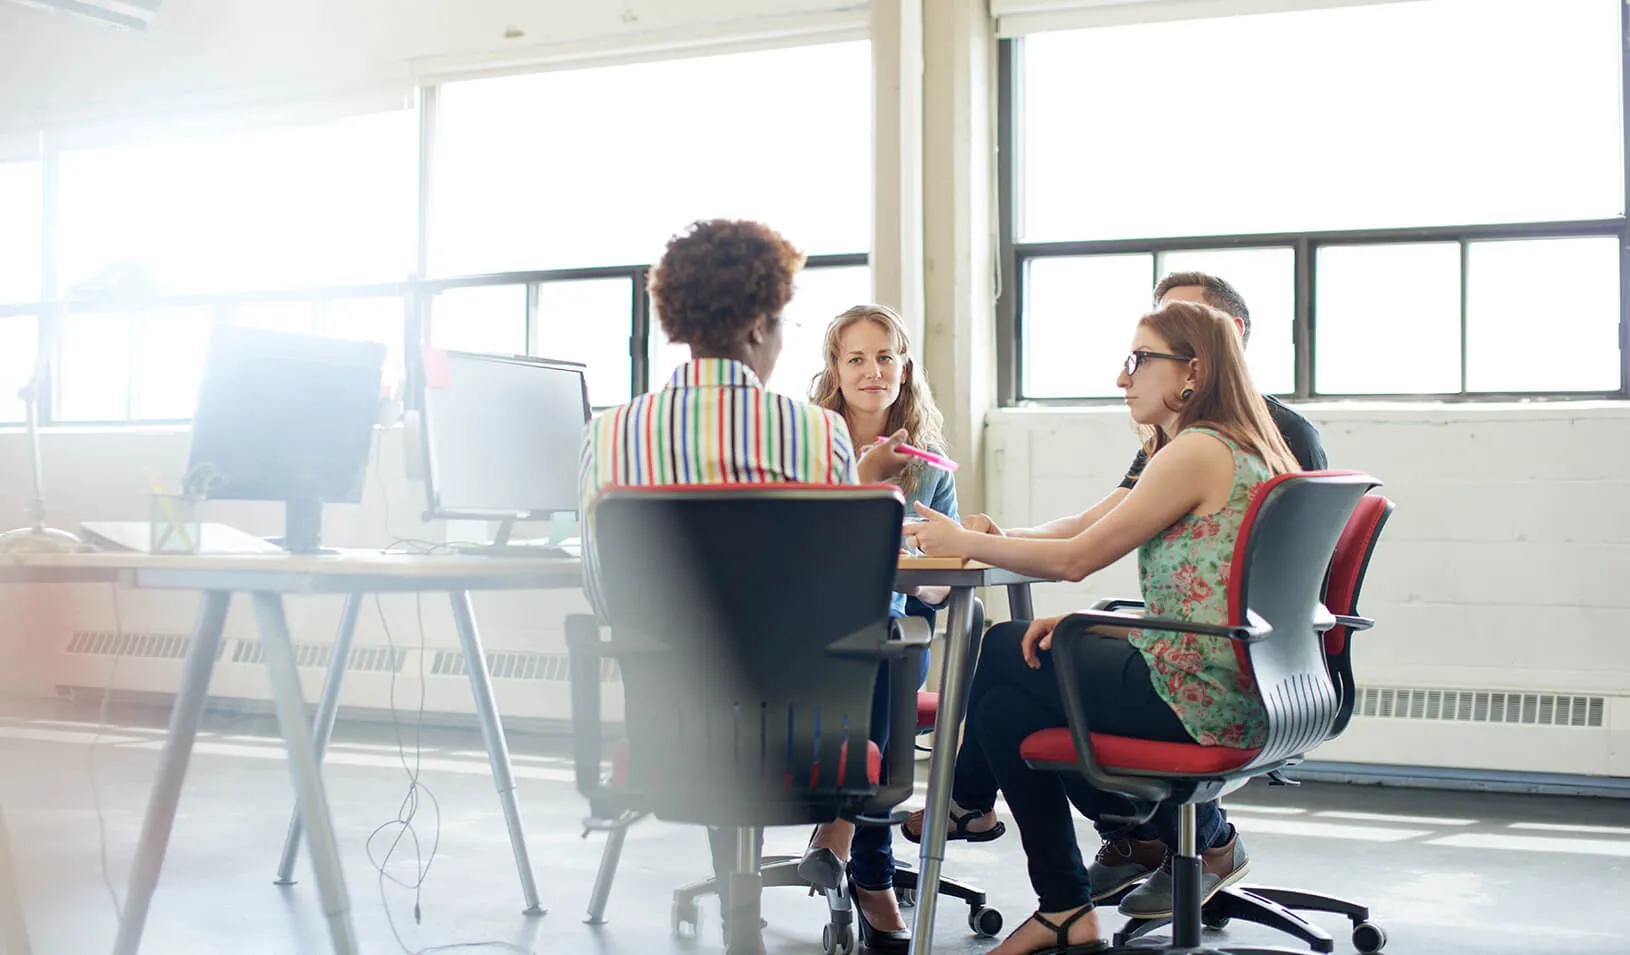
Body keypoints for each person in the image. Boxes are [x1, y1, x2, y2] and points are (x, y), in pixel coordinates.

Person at [903, 271, 1328, 920]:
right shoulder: (1232, 440)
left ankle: (1025, 839)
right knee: (1004, 711)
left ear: (1196, 366)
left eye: (1138, 358)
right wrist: (996, 537)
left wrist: (968, 540)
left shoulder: (1197, 450)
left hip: (1205, 691)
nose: (1121, 377)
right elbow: (1098, 529)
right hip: (1246, 677)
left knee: (999, 652)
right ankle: (1066, 896)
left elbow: (1076, 557)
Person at [576, 218, 914, 955]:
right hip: (811, 738)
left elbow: (607, 596)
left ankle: (736, 906)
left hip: (675, 734)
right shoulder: (815, 435)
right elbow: (844, 603)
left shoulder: (609, 434)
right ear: (761, 322)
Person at [793, 304, 957, 947]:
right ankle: (872, 876)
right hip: (802, 630)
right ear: (834, 368)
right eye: (855, 358)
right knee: (880, 669)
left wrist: (922, 558)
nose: (872, 370)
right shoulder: (807, 446)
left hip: (886, 629)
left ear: (904, 365)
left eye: (885, 356)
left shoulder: (928, 461)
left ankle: (844, 843)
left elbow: (940, 585)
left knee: (892, 658)